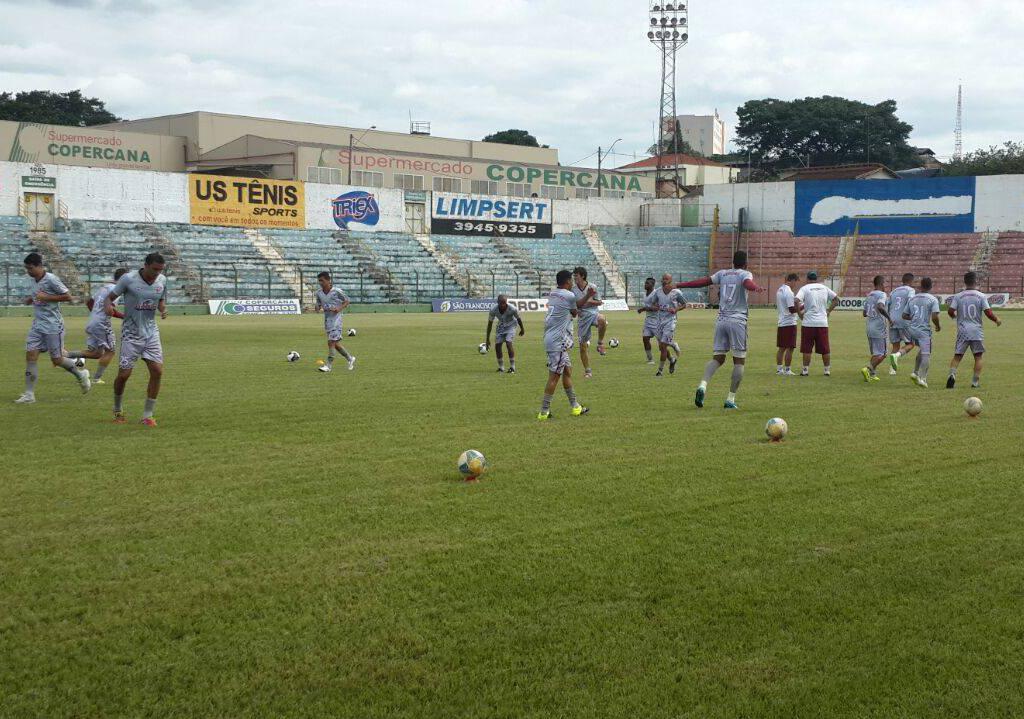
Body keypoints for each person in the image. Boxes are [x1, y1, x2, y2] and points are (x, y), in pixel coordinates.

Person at [676, 250, 761, 410]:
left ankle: (702, 385)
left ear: (733, 262)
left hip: (721, 320)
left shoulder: (722, 273)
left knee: (718, 358)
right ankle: (730, 399)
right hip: (737, 320)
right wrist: (755, 288)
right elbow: (747, 284)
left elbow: (703, 282)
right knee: (739, 361)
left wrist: (681, 285)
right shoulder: (745, 273)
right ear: (745, 263)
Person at [14, 252, 92, 404]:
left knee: (57, 360)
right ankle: (29, 395)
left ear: (39, 266)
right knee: (30, 357)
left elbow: (68, 297)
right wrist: (31, 299)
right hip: (37, 325)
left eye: (30, 268)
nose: (28, 271)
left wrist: (46, 298)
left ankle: (81, 374)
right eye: (26, 268)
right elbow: (37, 294)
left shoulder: (51, 279)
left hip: (53, 325)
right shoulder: (33, 280)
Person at [105, 253, 168, 425]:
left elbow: (161, 299)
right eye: (154, 269)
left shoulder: (162, 280)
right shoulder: (128, 279)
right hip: (131, 334)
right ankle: (118, 410)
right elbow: (109, 298)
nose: (157, 273)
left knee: (157, 371)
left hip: (151, 333)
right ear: (145, 265)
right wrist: (109, 307)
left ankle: (147, 415)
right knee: (124, 375)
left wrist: (162, 309)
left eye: (160, 270)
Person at [538, 269, 590, 420]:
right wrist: (589, 294)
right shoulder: (569, 295)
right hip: (558, 341)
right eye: (571, 280)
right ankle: (543, 412)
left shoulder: (553, 293)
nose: (573, 282)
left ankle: (575, 407)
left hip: (550, 337)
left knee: (567, 371)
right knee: (554, 376)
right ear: (568, 281)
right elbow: (575, 311)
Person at [65, 268, 128, 384]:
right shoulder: (116, 290)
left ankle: (65, 355)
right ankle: (96, 379)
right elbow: (109, 310)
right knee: (111, 351)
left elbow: (89, 302)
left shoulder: (104, 288)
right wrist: (125, 316)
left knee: (97, 354)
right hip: (101, 324)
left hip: (93, 322)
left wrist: (95, 314)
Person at [946, 271, 1001, 389]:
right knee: (978, 356)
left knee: (957, 356)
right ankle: (975, 383)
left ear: (964, 282)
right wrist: (996, 320)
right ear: (976, 281)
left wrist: (954, 317)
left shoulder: (958, 296)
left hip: (962, 331)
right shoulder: (981, 296)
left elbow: (950, 311)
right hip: (976, 331)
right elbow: (988, 313)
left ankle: (952, 375)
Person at [795, 270, 838, 376]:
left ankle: (805, 370)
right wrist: (828, 311)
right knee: (825, 348)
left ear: (807, 278)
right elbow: (836, 299)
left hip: (808, 323)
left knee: (807, 348)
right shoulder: (824, 287)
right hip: (822, 323)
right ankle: (826, 370)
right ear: (817, 278)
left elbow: (796, 300)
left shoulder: (804, 288)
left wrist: (800, 314)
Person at [902, 276, 941, 388]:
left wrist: (914, 318)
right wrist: (938, 326)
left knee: (922, 349)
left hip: (911, 330)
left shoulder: (912, 298)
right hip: (923, 330)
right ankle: (922, 378)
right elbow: (934, 316)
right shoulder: (933, 299)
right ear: (931, 286)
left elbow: (904, 315)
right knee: (926, 354)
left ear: (920, 286)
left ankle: (915, 372)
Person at [314, 271, 356, 373]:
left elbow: (347, 301)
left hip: (337, 319)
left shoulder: (337, 291)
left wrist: (339, 308)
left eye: (322, 280)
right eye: (319, 281)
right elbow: (318, 304)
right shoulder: (319, 293)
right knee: (335, 344)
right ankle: (350, 358)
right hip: (327, 320)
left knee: (331, 342)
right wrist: (317, 307)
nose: (320, 283)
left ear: (328, 280)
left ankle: (328, 366)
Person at [648, 273, 686, 377]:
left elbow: (684, 304)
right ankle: (673, 351)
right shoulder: (658, 292)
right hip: (660, 322)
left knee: (663, 345)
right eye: (663, 278)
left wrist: (675, 309)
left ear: (670, 280)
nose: (664, 280)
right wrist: (656, 307)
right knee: (661, 347)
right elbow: (653, 304)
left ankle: (660, 371)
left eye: (666, 279)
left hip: (671, 321)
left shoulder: (676, 292)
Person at [572, 266, 606, 378]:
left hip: (593, 314)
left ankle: (600, 343)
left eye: (576, 275)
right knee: (582, 347)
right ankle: (588, 371)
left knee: (602, 320)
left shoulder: (592, 287)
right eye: (574, 275)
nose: (574, 277)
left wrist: (590, 301)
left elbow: (600, 302)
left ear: (582, 276)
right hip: (582, 318)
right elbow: (574, 305)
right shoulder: (573, 289)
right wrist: (578, 309)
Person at [860, 275, 892, 382]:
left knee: (876, 353)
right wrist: (890, 319)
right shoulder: (882, 294)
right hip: (879, 328)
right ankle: (868, 369)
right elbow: (880, 306)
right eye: (885, 283)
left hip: (869, 327)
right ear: (881, 284)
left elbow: (864, 313)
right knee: (883, 354)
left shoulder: (869, 295)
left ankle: (872, 374)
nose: (886, 286)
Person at [484, 294, 524, 373]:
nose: (502, 305)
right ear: (497, 302)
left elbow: (518, 319)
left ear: (506, 302)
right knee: (497, 345)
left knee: (508, 343)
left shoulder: (512, 309)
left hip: (511, 326)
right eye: (500, 303)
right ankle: (501, 368)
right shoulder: (493, 310)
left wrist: (522, 329)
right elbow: (490, 324)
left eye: (504, 303)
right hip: (501, 326)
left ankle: (512, 367)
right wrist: (487, 339)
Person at [886, 273, 917, 375]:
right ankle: (897, 356)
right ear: (911, 281)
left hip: (892, 320)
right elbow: (911, 302)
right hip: (904, 320)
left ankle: (892, 369)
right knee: (911, 344)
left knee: (895, 345)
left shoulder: (893, 291)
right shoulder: (910, 290)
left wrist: (889, 319)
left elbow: (888, 305)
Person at [775, 273, 799, 375]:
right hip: (789, 322)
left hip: (781, 322)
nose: (796, 284)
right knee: (790, 347)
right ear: (792, 280)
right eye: (796, 281)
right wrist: (802, 307)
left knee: (781, 348)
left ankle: (779, 369)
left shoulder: (780, 290)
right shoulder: (789, 292)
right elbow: (791, 309)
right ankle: (788, 370)